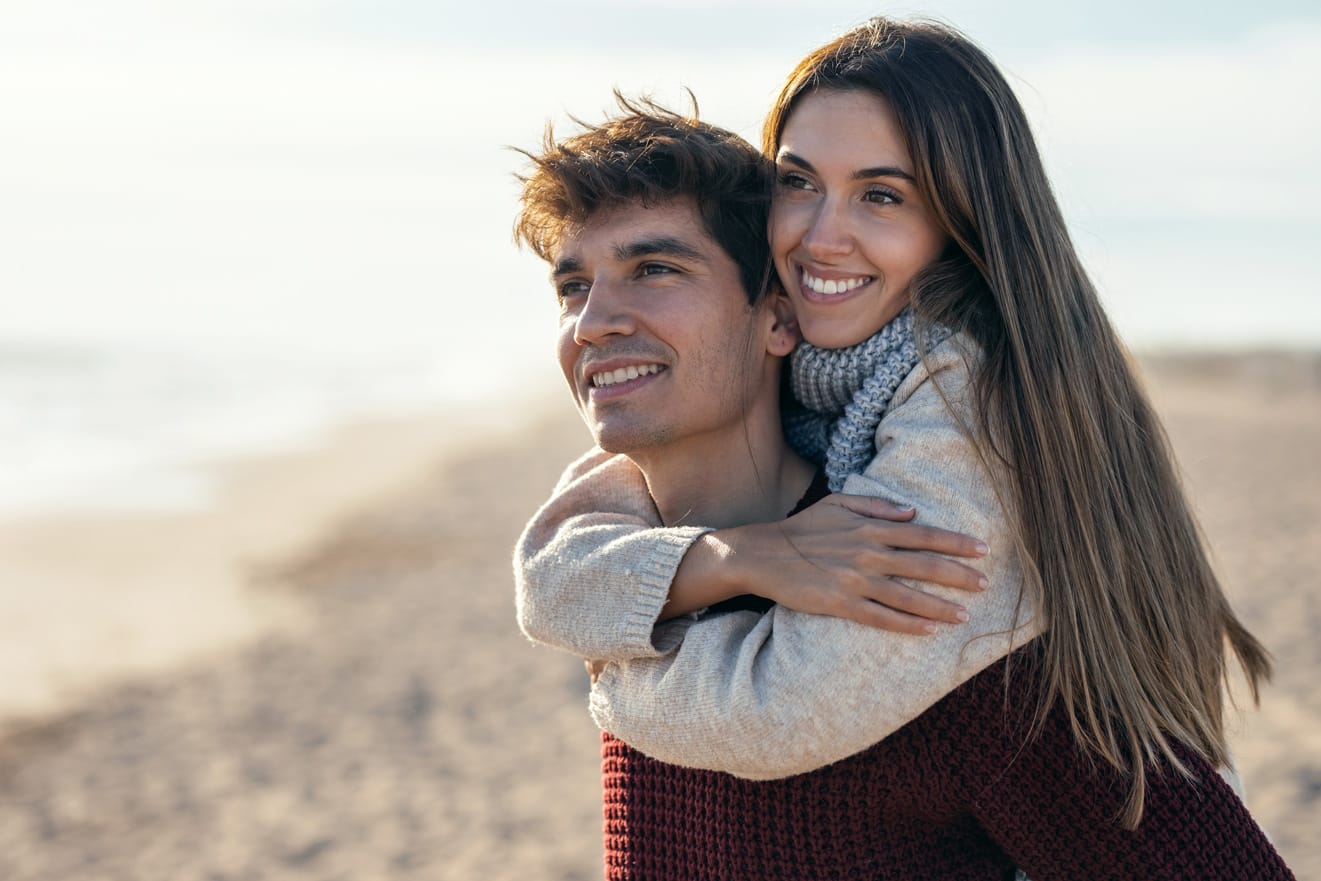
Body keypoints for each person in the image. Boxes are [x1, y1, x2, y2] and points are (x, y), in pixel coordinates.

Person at [513, 19, 1295, 879]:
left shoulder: (931, 564)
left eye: (656, 269)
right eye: (796, 183)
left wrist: (617, 665)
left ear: (773, 316)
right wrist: (724, 560)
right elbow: (555, 562)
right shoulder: (680, 538)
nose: (819, 236)